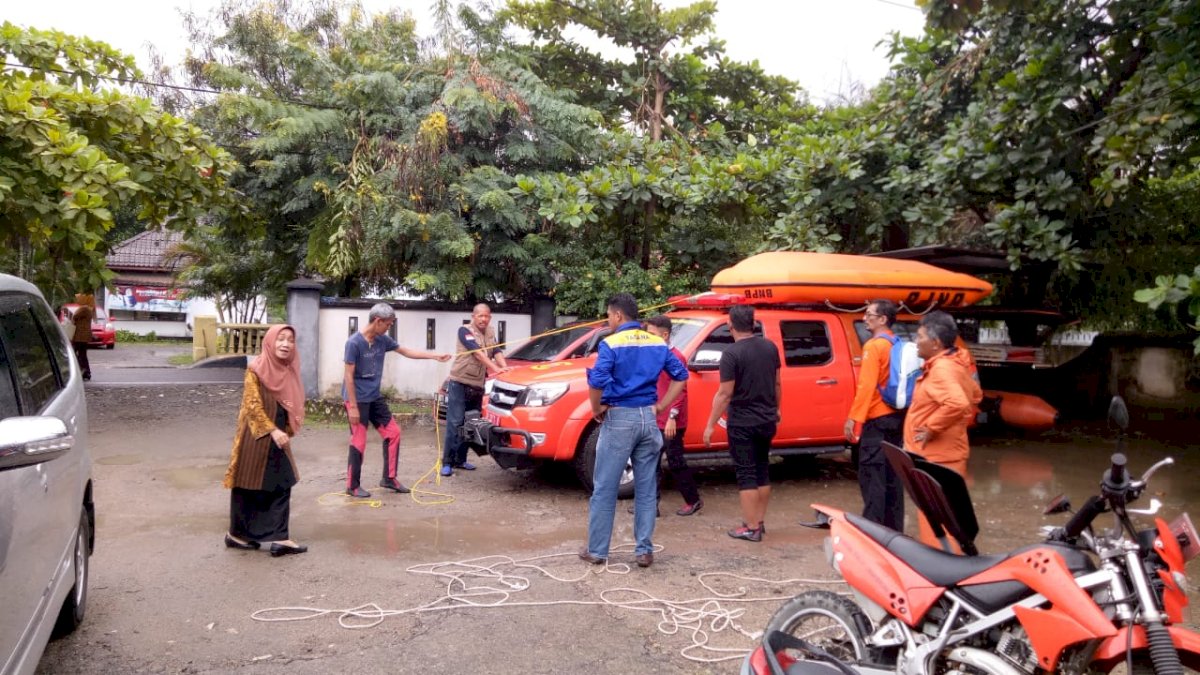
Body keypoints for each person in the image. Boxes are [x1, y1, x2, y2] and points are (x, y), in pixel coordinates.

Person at [579, 294, 687, 569]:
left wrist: (596, 409)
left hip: (620, 418)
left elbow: (598, 381)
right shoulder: (656, 342)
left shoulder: (611, 343)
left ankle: (598, 550)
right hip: (648, 419)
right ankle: (644, 550)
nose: (607, 320)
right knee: (646, 487)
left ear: (617, 316)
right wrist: (661, 406)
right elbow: (681, 376)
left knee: (605, 487)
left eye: (608, 315)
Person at [344, 303, 451, 498]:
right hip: (356, 399)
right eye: (387, 324)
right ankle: (352, 485)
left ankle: (389, 478)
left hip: (374, 397)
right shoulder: (354, 343)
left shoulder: (382, 340)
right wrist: (352, 407)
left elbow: (407, 352)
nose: (388, 328)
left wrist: (435, 356)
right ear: (377, 321)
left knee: (393, 433)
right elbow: (348, 376)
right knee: (359, 440)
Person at [222, 324, 308, 556]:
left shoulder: (288, 369)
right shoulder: (256, 369)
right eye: (280, 339)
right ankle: (275, 538)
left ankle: (239, 535)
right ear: (270, 342)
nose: (285, 344)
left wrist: (284, 428)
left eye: (290, 340)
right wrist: (273, 430)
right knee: (257, 483)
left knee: (262, 483)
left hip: (275, 435)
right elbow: (252, 405)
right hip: (257, 435)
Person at [904, 310, 982, 549]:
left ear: (936, 343)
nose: (915, 342)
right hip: (943, 456)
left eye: (919, 337)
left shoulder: (942, 369)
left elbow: (958, 403)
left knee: (938, 526)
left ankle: (944, 575)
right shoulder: (952, 364)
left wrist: (930, 428)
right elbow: (976, 395)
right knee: (945, 521)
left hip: (938, 459)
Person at [702, 305, 780, 542]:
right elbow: (777, 384)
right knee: (762, 469)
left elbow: (725, 393)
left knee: (746, 473)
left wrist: (710, 424)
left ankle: (751, 527)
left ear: (730, 325)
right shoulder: (770, 347)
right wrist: (776, 409)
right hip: (767, 419)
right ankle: (759, 521)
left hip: (742, 422)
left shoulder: (731, 354)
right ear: (753, 324)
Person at [844, 299, 906, 531]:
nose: (864, 318)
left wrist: (854, 419)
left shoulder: (874, 346)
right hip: (896, 418)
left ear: (883, 319)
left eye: (869, 314)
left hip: (877, 421)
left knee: (873, 477)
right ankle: (893, 530)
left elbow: (866, 386)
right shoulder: (896, 343)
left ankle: (873, 531)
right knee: (893, 477)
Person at [441, 303, 509, 477]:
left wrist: (505, 368)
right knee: (455, 422)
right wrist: (495, 368)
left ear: (490, 317)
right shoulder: (464, 331)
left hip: (477, 385)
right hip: (460, 382)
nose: (484, 319)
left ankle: (461, 460)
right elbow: (478, 353)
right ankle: (447, 462)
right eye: (480, 316)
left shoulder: (491, 332)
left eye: (487, 316)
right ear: (474, 316)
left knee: (470, 422)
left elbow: (497, 350)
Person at [644, 314, 702, 516]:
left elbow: (681, 390)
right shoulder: (653, 354)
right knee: (651, 461)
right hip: (656, 417)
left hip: (671, 420)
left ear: (665, 334)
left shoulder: (676, 357)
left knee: (675, 460)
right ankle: (651, 505)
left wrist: (672, 418)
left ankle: (693, 500)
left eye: (652, 334)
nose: (648, 337)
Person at [70, 294, 94, 381]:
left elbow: (74, 317)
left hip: (80, 336)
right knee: (82, 354)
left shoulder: (84, 308)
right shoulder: (89, 309)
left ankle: (82, 371)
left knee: (74, 353)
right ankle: (86, 372)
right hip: (83, 336)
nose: (77, 299)